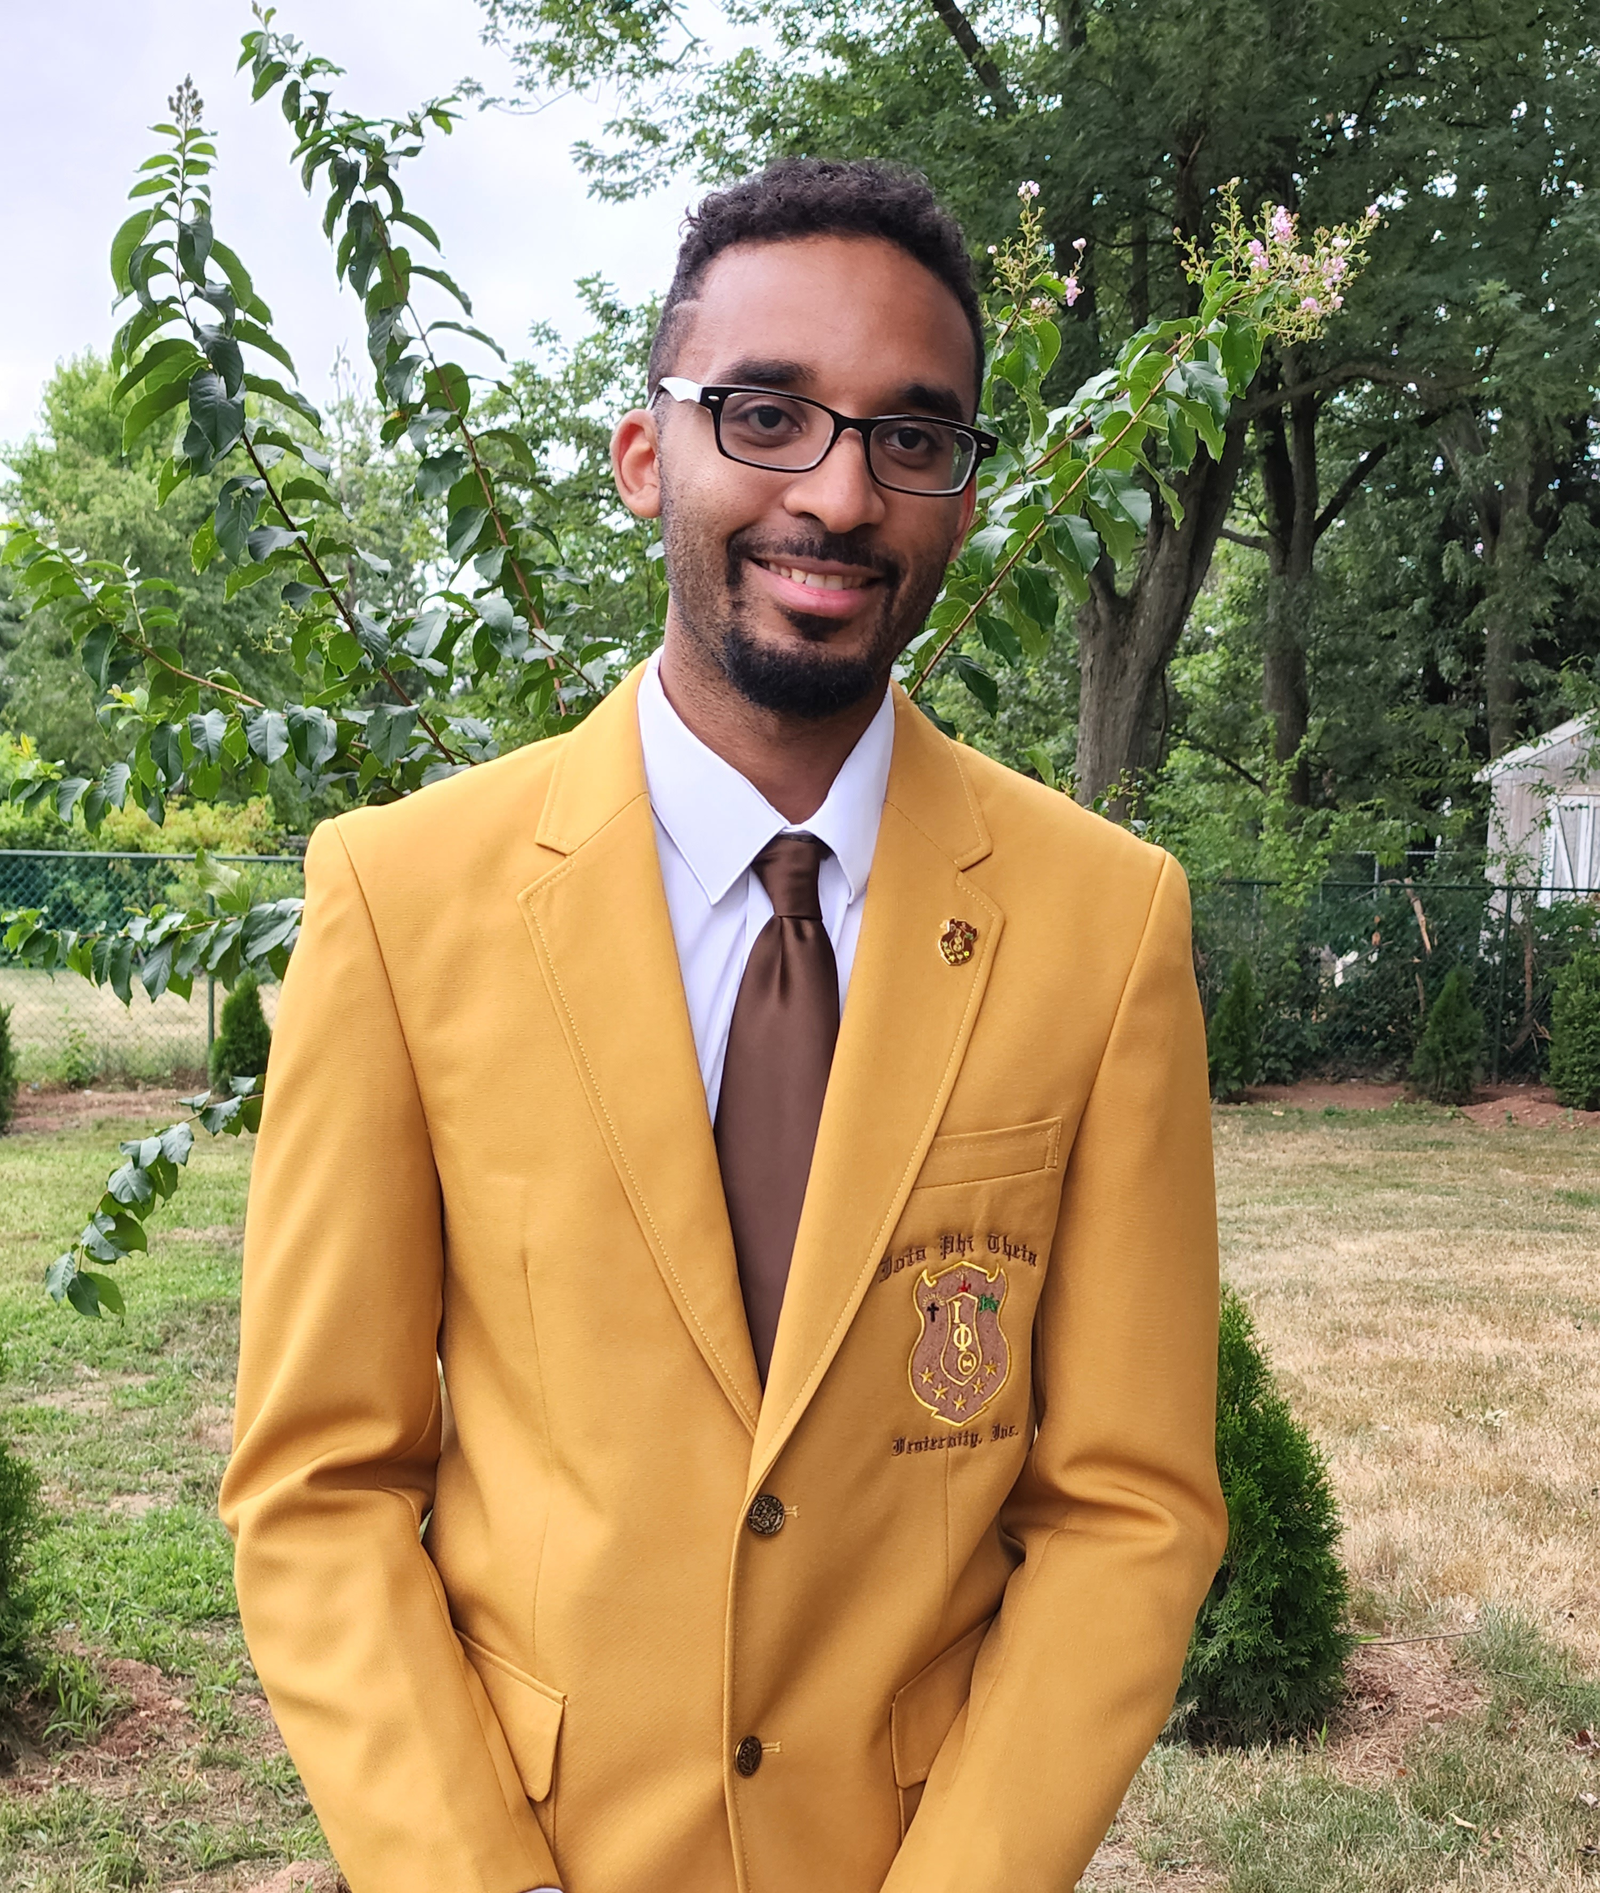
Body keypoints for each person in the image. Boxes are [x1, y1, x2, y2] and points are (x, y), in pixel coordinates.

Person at [221, 157, 1226, 1893]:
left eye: (913, 435)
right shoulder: (399, 900)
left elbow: (1129, 1510)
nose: (839, 493)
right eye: (765, 414)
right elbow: (320, 1487)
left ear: (964, 498)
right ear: (645, 455)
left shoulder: (1106, 923)